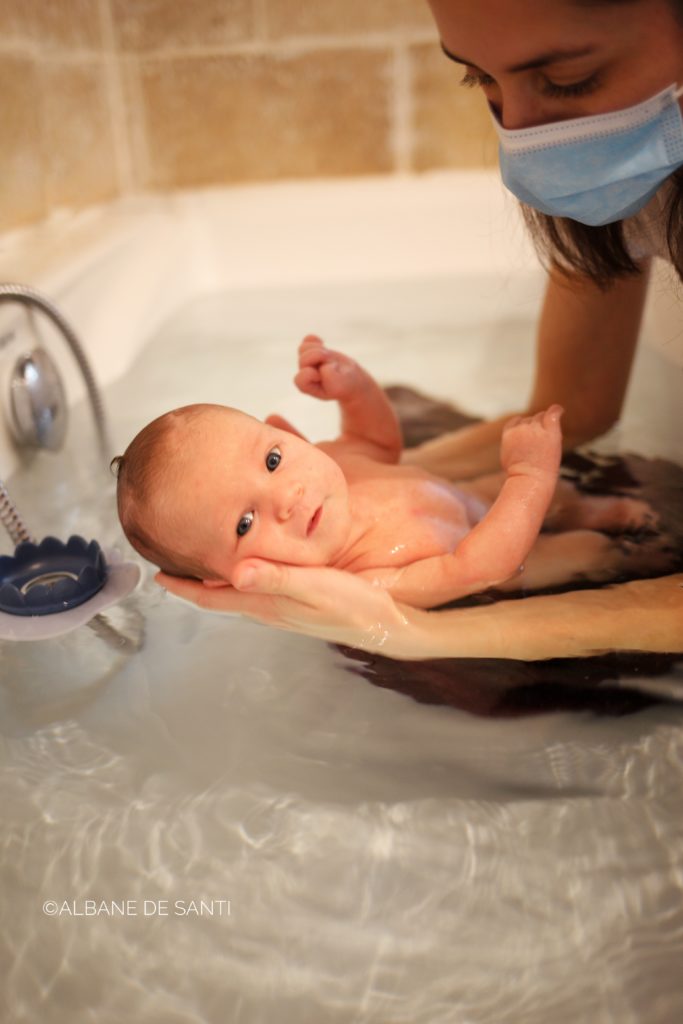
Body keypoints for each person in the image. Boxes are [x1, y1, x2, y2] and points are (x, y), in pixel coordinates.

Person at [158, 0, 683, 659]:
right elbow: (571, 411)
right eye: (479, 81)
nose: (516, 131)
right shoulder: (615, 192)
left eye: (567, 80)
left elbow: (375, 441)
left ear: (288, 434)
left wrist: (416, 635)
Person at [114, 337, 658, 609]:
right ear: (228, 578)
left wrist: (353, 388)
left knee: (560, 499)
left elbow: (378, 440)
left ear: (287, 434)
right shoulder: (365, 582)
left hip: (470, 498)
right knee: (585, 551)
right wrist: (529, 478)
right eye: (244, 523)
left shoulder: (336, 463)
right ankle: (627, 547)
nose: (286, 497)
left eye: (273, 459)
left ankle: (587, 507)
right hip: (511, 561)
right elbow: (477, 567)